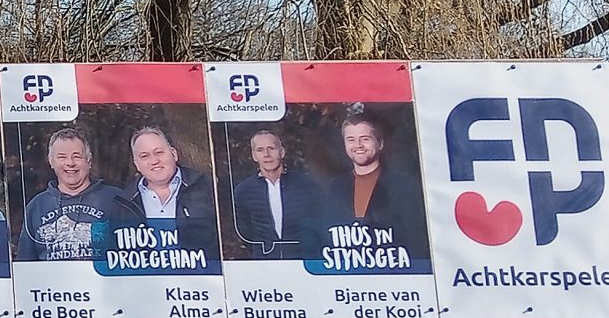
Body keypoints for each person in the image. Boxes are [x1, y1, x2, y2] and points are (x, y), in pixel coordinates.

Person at [322, 108, 430, 263]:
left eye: (365, 139)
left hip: (394, 270)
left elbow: (416, 240)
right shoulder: (335, 187)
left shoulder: (405, 186)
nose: (358, 145)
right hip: (346, 269)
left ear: (380, 143)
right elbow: (327, 235)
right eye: (351, 140)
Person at [17, 127, 134, 261]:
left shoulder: (117, 199)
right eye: (62, 157)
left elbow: (135, 256)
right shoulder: (36, 205)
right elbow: (25, 262)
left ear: (89, 161)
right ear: (51, 162)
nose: (70, 163)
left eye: (77, 156)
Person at [230, 126, 329, 258]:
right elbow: (245, 229)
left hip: (303, 261)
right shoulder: (244, 190)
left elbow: (319, 223)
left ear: (282, 152)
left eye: (271, 148)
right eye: (260, 150)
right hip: (265, 263)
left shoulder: (306, 185)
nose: (266, 154)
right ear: (254, 156)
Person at [125, 124, 220, 257]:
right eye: (145, 156)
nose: (154, 161)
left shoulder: (207, 187)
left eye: (159, 152)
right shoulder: (125, 201)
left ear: (174, 154)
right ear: (137, 165)